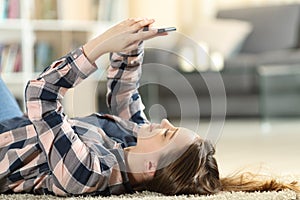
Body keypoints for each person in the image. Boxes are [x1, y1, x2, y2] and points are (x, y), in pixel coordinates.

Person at [0, 18, 299, 197]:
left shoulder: (87, 174)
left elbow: (41, 94)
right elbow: (124, 95)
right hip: (13, 123)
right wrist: (131, 42)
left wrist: (102, 43)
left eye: (167, 135)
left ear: (151, 167)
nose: (165, 122)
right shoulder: (135, 145)